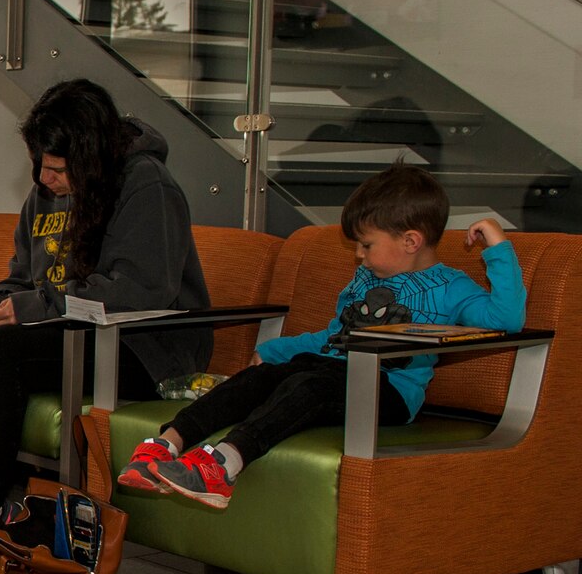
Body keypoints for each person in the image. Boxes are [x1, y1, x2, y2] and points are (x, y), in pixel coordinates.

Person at [0, 79, 210, 572]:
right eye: (39, 164)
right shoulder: (44, 196)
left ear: (91, 157)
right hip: (69, 334)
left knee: (2, 349)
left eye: (56, 168)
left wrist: (35, 306)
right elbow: (23, 280)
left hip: (145, 345)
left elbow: (139, 291)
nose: (44, 177)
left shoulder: (147, 184)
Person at [120, 162, 523, 509]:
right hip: (335, 370)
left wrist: (497, 244)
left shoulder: (451, 286)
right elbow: (334, 337)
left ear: (411, 241)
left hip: (391, 392)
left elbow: (507, 318)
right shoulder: (366, 279)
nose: (359, 256)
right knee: (262, 377)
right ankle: (165, 446)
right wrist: (278, 349)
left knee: (309, 385)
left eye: (366, 245)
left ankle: (223, 465)